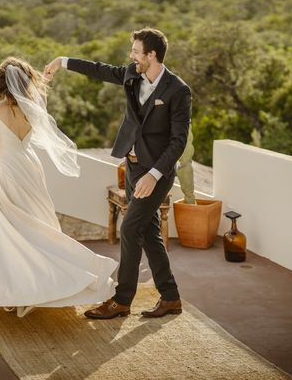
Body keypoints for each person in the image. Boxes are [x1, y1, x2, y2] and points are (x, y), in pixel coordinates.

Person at [0, 57, 118, 317]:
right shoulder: (35, 108)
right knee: (36, 223)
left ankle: (13, 288)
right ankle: (43, 283)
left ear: (0, 82)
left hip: (7, 169)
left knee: (5, 227)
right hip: (30, 168)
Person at [44, 27, 191, 319]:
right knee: (148, 233)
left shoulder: (177, 90)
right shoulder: (132, 74)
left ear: (152, 55)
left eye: (136, 51)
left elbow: (178, 141)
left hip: (156, 174)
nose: (132, 55)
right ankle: (171, 297)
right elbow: (100, 70)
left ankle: (122, 300)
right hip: (134, 166)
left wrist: (155, 175)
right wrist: (63, 61)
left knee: (130, 229)